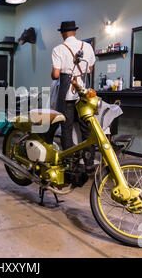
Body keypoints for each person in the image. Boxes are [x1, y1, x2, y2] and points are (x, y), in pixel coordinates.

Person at [51, 21, 96, 172]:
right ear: (75, 32)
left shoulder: (58, 49)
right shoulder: (87, 47)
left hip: (67, 94)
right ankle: (89, 163)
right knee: (87, 129)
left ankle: (71, 163)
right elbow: (89, 70)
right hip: (83, 94)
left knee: (67, 129)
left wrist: (55, 72)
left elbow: (56, 75)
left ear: (62, 33)